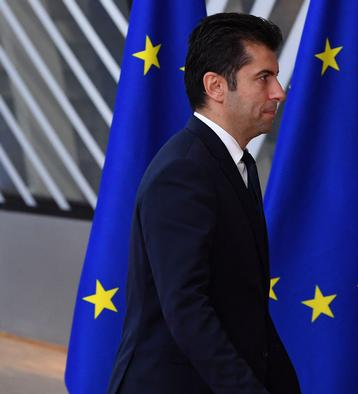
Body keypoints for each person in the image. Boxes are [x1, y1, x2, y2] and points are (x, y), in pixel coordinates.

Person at [107, 13, 300, 394]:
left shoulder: (237, 164)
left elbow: (247, 310)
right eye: (264, 77)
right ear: (215, 86)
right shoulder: (183, 171)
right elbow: (187, 308)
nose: (278, 91)